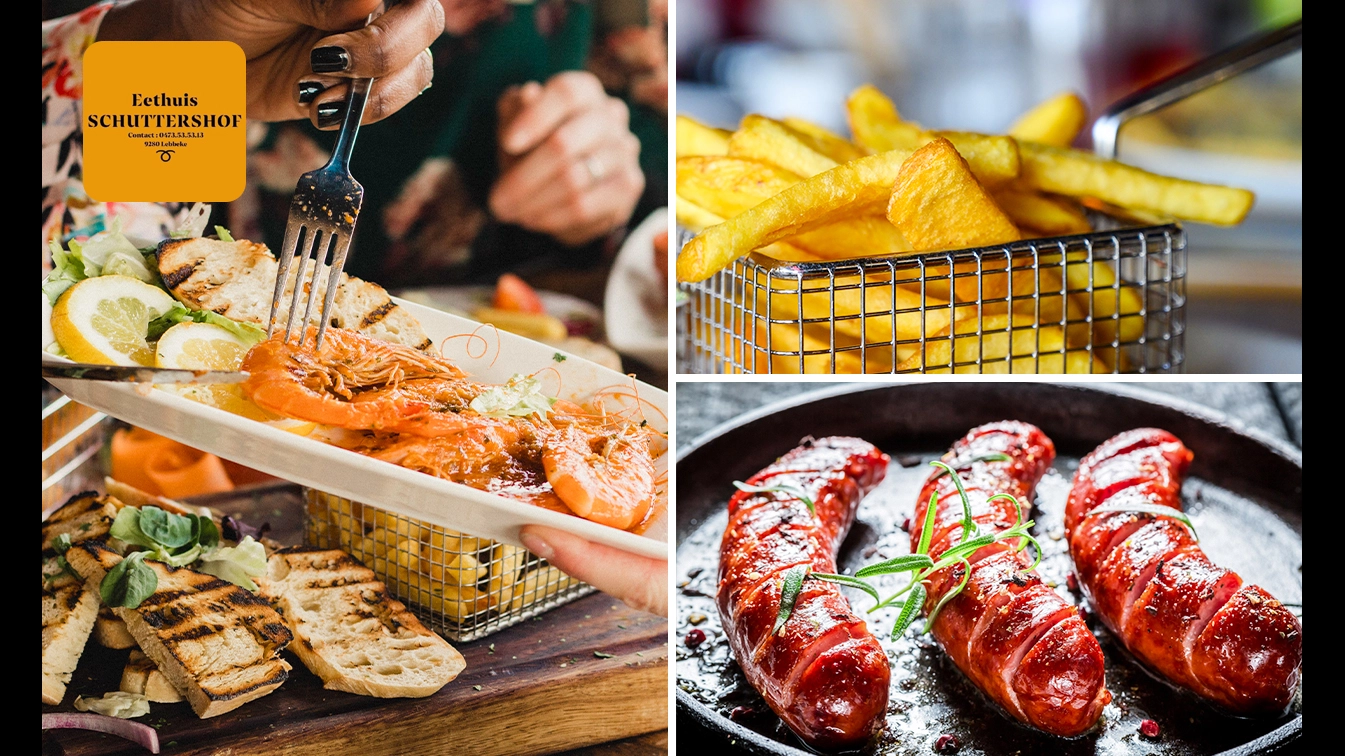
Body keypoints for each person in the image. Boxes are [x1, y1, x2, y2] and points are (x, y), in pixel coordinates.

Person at [41, 0, 668, 618]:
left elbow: (669, 210)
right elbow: (115, 266)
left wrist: (606, 184)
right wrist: (157, 59)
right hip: (132, 447)